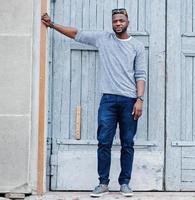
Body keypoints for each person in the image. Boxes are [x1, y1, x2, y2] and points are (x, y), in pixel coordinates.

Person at [41, 8, 146, 197]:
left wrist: (139, 99)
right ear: (112, 23)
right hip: (108, 100)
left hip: (130, 99)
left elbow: (140, 74)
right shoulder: (103, 39)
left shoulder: (137, 46)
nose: (118, 24)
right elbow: (76, 34)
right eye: (115, 21)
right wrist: (52, 24)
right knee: (103, 142)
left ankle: (125, 184)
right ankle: (103, 183)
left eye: (121, 20)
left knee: (127, 143)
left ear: (128, 22)